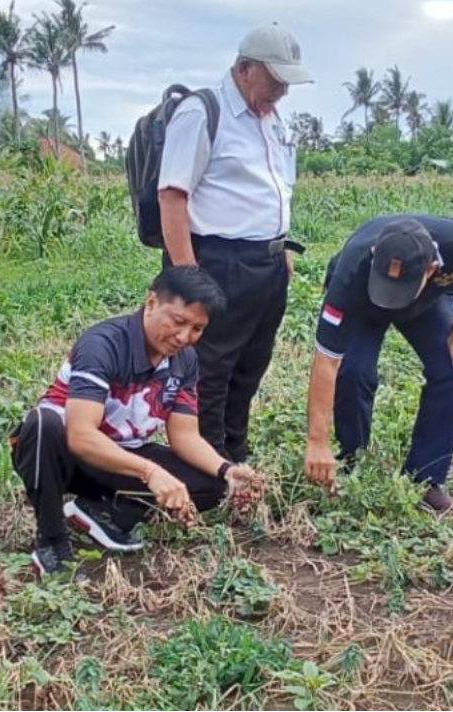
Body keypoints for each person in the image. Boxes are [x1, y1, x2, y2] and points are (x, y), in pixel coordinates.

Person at [11, 266, 266, 577]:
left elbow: (185, 436)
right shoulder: (103, 344)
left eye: (197, 329)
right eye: (178, 321)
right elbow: (80, 436)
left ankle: (101, 512)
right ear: (151, 303)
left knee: (212, 483)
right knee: (42, 424)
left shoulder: (185, 360)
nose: (184, 337)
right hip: (63, 455)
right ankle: (52, 543)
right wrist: (150, 472)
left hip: (120, 456)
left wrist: (227, 470)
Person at [157, 23, 312, 463]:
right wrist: (189, 277)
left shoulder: (272, 120)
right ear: (245, 69)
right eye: (275, 79)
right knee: (210, 368)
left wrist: (280, 247)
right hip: (219, 262)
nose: (282, 91)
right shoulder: (202, 112)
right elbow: (172, 196)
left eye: (287, 82)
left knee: (251, 362)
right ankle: (208, 465)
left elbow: (274, 188)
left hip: (267, 264)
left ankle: (234, 451)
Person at [303, 215, 453, 513]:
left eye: (400, 289)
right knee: (353, 372)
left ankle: (425, 479)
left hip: (426, 301)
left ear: (431, 268)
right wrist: (317, 441)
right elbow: (327, 361)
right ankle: (351, 463)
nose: (391, 299)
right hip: (363, 299)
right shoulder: (350, 271)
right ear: (374, 255)